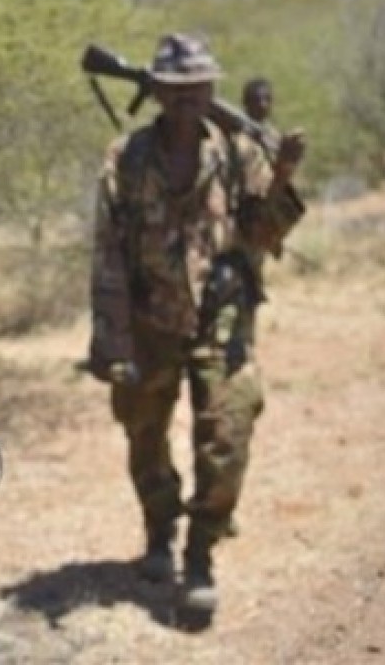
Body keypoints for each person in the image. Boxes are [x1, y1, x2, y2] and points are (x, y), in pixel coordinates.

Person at [86, 34, 306, 617]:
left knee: (228, 436)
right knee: (145, 436)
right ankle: (160, 534)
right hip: (147, 320)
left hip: (223, 319)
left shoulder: (238, 153)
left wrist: (281, 175)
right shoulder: (126, 158)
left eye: (200, 88)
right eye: (178, 90)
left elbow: (266, 234)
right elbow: (106, 252)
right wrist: (111, 340)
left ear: (213, 89)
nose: (190, 100)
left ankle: (202, 550)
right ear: (157, 91)